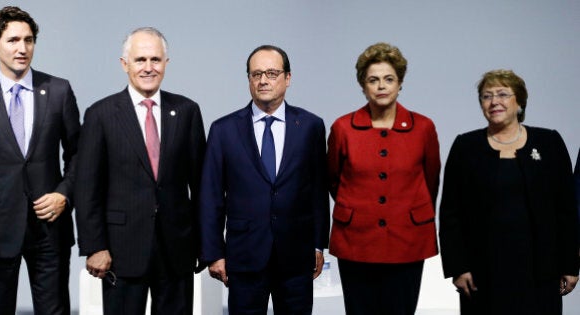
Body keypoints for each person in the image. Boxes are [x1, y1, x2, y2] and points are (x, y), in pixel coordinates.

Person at [0, 6, 79, 315]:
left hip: (50, 229)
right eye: (12, 40)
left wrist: (64, 194)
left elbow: (79, 157)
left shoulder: (59, 91)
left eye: (29, 40)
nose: (22, 48)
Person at [75, 27, 206, 315]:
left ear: (166, 64)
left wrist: (205, 243)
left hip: (177, 249)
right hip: (121, 251)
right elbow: (87, 189)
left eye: (156, 60)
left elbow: (201, 187)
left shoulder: (187, 111)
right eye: (140, 60)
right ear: (125, 64)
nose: (149, 68)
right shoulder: (101, 114)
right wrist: (94, 247)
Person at [199, 45, 330, 314]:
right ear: (248, 79)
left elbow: (317, 190)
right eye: (256, 74)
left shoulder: (310, 126)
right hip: (244, 256)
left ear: (288, 78)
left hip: (296, 256)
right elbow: (210, 197)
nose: (263, 80)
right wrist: (214, 252)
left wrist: (318, 243)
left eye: (272, 73)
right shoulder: (224, 130)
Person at [440, 69, 579, 314]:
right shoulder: (466, 146)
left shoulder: (549, 142)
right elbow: (451, 213)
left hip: (540, 270)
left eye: (503, 94)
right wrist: (458, 267)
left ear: (520, 101)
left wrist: (571, 264)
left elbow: (566, 209)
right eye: (486, 96)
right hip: (482, 271)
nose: (494, 102)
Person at [326, 42, 441, 315]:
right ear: (363, 86)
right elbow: (333, 180)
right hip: (356, 240)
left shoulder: (423, 127)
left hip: (407, 240)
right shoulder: (343, 127)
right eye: (373, 80)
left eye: (388, 79)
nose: (381, 86)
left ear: (400, 83)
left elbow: (431, 180)